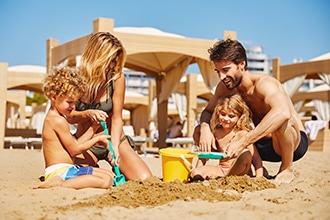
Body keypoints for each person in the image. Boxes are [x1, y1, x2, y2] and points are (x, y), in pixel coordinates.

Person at [193, 39, 308, 183]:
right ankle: (252, 170)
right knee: (198, 129)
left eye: (226, 70)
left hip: (290, 143)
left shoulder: (264, 84)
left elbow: (284, 112)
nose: (221, 77)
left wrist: (243, 142)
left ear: (242, 64)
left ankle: (286, 168)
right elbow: (207, 112)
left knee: (282, 120)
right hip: (259, 143)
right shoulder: (225, 87)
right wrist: (205, 129)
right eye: (218, 71)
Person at [66, 32, 152, 180]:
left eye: (115, 61)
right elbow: (69, 117)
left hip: (114, 138)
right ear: (96, 57)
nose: (112, 66)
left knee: (145, 179)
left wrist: (115, 148)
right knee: (80, 178)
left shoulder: (117, 78)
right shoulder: (77, 79)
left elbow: (117, 118)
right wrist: (87, 114)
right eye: (109, 61)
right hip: (86, 143)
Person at [34, 66, 115, 189]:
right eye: (70, 102)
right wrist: (97, 140)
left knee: (109, 175)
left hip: (68, 169)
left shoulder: (58, 118)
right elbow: (75, 150)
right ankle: (60, 183)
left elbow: (75, 144)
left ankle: (61, 181)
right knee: (105, 181)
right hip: (60, 172)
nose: (73, 106)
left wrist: (93, 127)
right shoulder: (57, 121)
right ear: (54, 97)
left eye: (75, 102)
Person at [190, 94, 263, 181]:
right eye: (223, 114)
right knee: (195, 173)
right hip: (222, 169)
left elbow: (256, 159)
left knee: (245, 153)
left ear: (239, 117)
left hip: (241, 171)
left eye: (231, 116)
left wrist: (259, 177)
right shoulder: (216, 132)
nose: (226, 118)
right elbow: (204, 155)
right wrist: (197, 171)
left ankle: (227, 177)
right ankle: (225, 178)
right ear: (218, 113)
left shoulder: (242, 133)